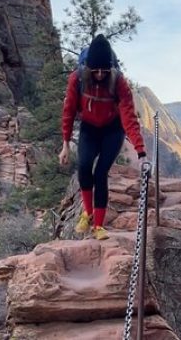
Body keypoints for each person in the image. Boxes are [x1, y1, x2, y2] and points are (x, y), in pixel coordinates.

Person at [59, 34, 147, 240]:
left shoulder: (118, 82)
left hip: (112, 130)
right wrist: (65, 144)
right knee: (83, 165)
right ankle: (87, 213)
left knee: (100, 173)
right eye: (95, 70)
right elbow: (69, 110)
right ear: (88, 68)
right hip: (90, 127)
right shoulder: (77, 79)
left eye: (104, 71)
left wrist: (140, 150)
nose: (99, 74)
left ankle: (98, 225)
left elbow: (129, 116)